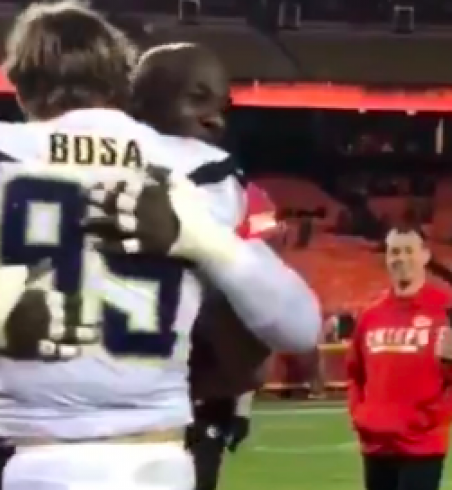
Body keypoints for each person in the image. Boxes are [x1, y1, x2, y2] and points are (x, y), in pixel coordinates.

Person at [0, 3, 318, 490]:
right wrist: (203, 241)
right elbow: (300, 329)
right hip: (157, 459)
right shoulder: (199, 170)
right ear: (122, 83)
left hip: (35, 460)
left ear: (18, 82)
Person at [128, 43, 284, 490]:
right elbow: (264, 329)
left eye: (221, 106)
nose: (216, 119)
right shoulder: (233, 191)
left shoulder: (83, 173)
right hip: (173, 399)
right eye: (199, 99)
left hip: (115, 409)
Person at [346, 227, 452, 490]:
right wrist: (361, 416)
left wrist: (433, 419)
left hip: (422, 447)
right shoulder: (371, 315)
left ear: (425, 256)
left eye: (409, 251)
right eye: (394, 251)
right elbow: (355, 373)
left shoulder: (448, 310)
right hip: (375, 446)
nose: (401, 258)